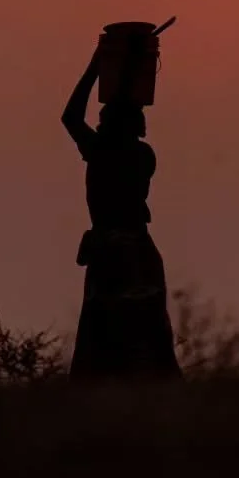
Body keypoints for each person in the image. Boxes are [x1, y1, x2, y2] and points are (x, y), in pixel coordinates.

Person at [61, 41, 180, 379]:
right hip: (139, 251)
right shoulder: (143, 155)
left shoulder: (103, 151)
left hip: (115, 257)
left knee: (105, 347)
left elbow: (70, 116)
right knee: (148, 343)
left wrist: (95, 67)